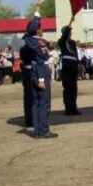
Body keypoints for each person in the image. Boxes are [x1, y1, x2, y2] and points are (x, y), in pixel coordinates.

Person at [24, 7, 57, 138]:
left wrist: (37, 10)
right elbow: (39, 61)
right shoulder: (39, 43)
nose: (43, 29)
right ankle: (43, 130)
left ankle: (37, 131)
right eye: (41, 27)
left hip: (34, 73)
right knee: (44, 103)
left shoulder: (30, 40)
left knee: (37, 103)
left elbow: (34, 22)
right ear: (37, 30)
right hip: (40, 72)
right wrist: (41, 80)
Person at [58, 24, 81, 116]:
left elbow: (75, 54)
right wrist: (66, 30)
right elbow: (63, 38)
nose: (70, 34)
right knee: (67, 88)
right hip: (66, 66)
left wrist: (79, 64)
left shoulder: (72, 42)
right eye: (69, 32)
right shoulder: (61, 41)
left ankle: (74, 108)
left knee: (74, 89)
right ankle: (68, 109)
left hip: (73, 66)